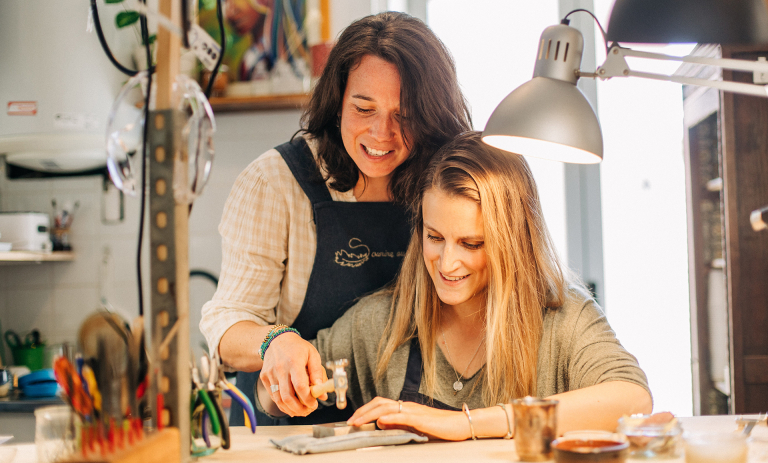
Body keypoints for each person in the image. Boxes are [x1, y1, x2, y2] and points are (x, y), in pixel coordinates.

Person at [256, 131, 653, 438]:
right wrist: (281, 390)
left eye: (472, 243)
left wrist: (467, 424)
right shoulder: (382, 323)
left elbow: (632, 397)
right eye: (434, 237)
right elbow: (272, 395)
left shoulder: (563, 320)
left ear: (514, 242)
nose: (447, 263)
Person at [200, 11, 472, 425]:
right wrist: (275, 340)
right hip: (289, 431)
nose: (382, 134)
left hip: (408, 429)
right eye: (364, 109)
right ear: (337, 103)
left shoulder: (443, 180)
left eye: (404, 115)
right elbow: (225, 325)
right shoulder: (274, 182)